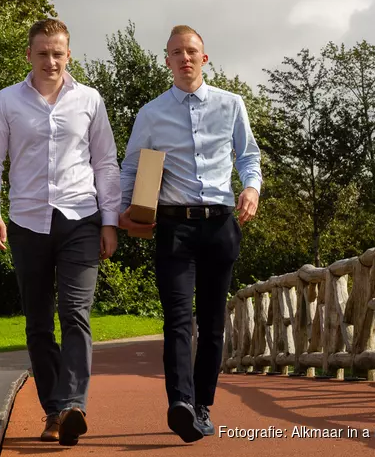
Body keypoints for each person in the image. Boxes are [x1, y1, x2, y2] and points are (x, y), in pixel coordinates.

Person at [0, 18, 121, 446]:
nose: (50, 61)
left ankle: (74, 403)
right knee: (38, 323)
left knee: (75, 313)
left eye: (58, 53)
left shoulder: (90, 100)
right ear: (29, 55)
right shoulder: (7, 102)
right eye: (42, 53)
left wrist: (109, 220)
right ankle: (54, 412)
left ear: (69, 55)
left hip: (80, 218)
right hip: (26, 222)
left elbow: (105, 163)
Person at [118, 25, 262, 443]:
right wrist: (122, 213)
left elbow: (249, 156)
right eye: (176, 52)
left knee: (213, 323)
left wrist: (251, 188)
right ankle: (180, 403)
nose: (184, 58)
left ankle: (202, 404)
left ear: (205, 58)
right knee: (178, 320)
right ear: (166, 61)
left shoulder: (232, 105)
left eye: (191, 51)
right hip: (173, 225)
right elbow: (131, 168)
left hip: (220, 223)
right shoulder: (151, 113)